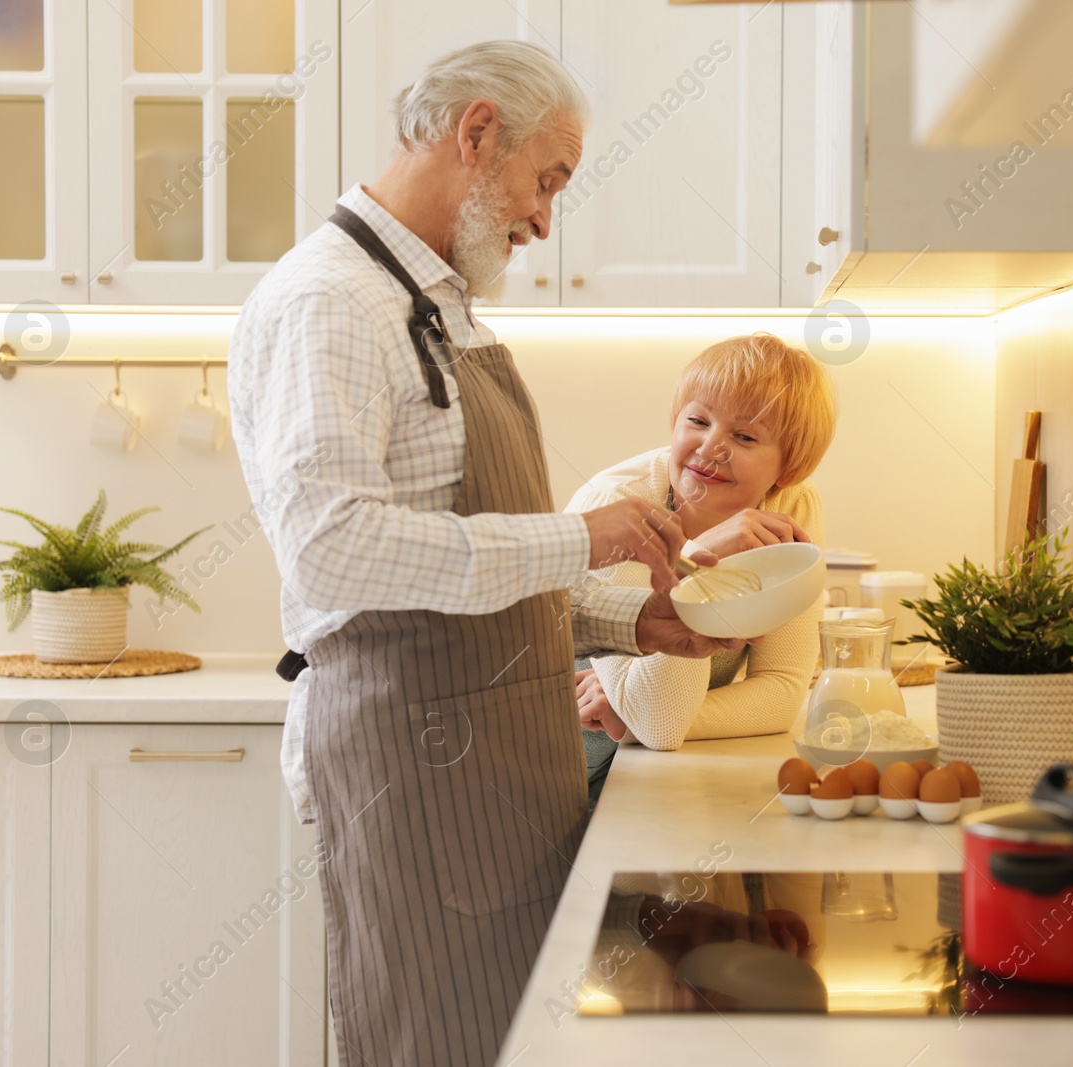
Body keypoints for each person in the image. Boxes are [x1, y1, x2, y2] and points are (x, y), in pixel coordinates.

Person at [225, 40, 748, 1067]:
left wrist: (616, 619)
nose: (547, 216)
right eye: (546, 177)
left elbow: (451, 562)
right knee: (435, 1043)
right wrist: (585, 536)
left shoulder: (432, 300)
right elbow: (333, 550)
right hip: (413, 773)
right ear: (475, 134)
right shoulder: (330, 301)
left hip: (502, 766)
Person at [570, 334, 838, 754]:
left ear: (788, 468)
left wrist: (633, 714)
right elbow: (660, 724)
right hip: (575, 749)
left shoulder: (792, 506)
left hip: (648, 753)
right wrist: (697, 561)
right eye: (697, 421)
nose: (711, 447)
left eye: (745, 437)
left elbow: (782, 690)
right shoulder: (615, 505)